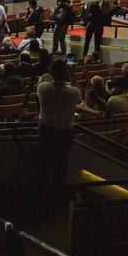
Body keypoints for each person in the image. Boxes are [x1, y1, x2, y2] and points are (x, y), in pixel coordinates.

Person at [36, 58, 83, 188]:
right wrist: (72, 75)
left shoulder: (43, 88)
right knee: (61, 163)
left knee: (44, 161)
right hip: (65, 132)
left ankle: (42, 189)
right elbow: (79, 97)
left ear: (51, 72)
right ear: (65, 73)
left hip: (46, 130)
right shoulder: (72, 92)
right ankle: (58, 190)